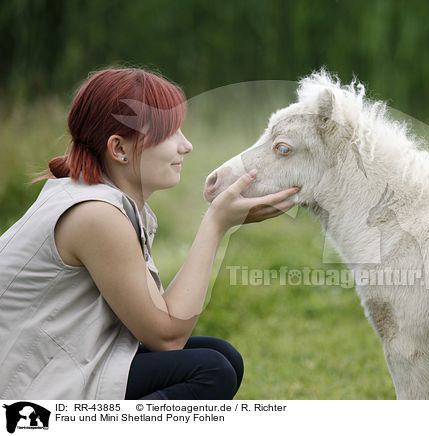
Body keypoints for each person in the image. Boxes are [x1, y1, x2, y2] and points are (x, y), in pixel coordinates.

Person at [0, 67, 298, 400]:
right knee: (211, 371)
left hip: (61, 367)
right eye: (170, 133)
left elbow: (164, 328)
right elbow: (167, 338)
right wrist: (216, 225)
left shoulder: (94, 198)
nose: (187, 145)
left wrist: (219, 223)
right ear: (119, 149)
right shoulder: (95, 215)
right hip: (27, 394)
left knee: (221, 355)